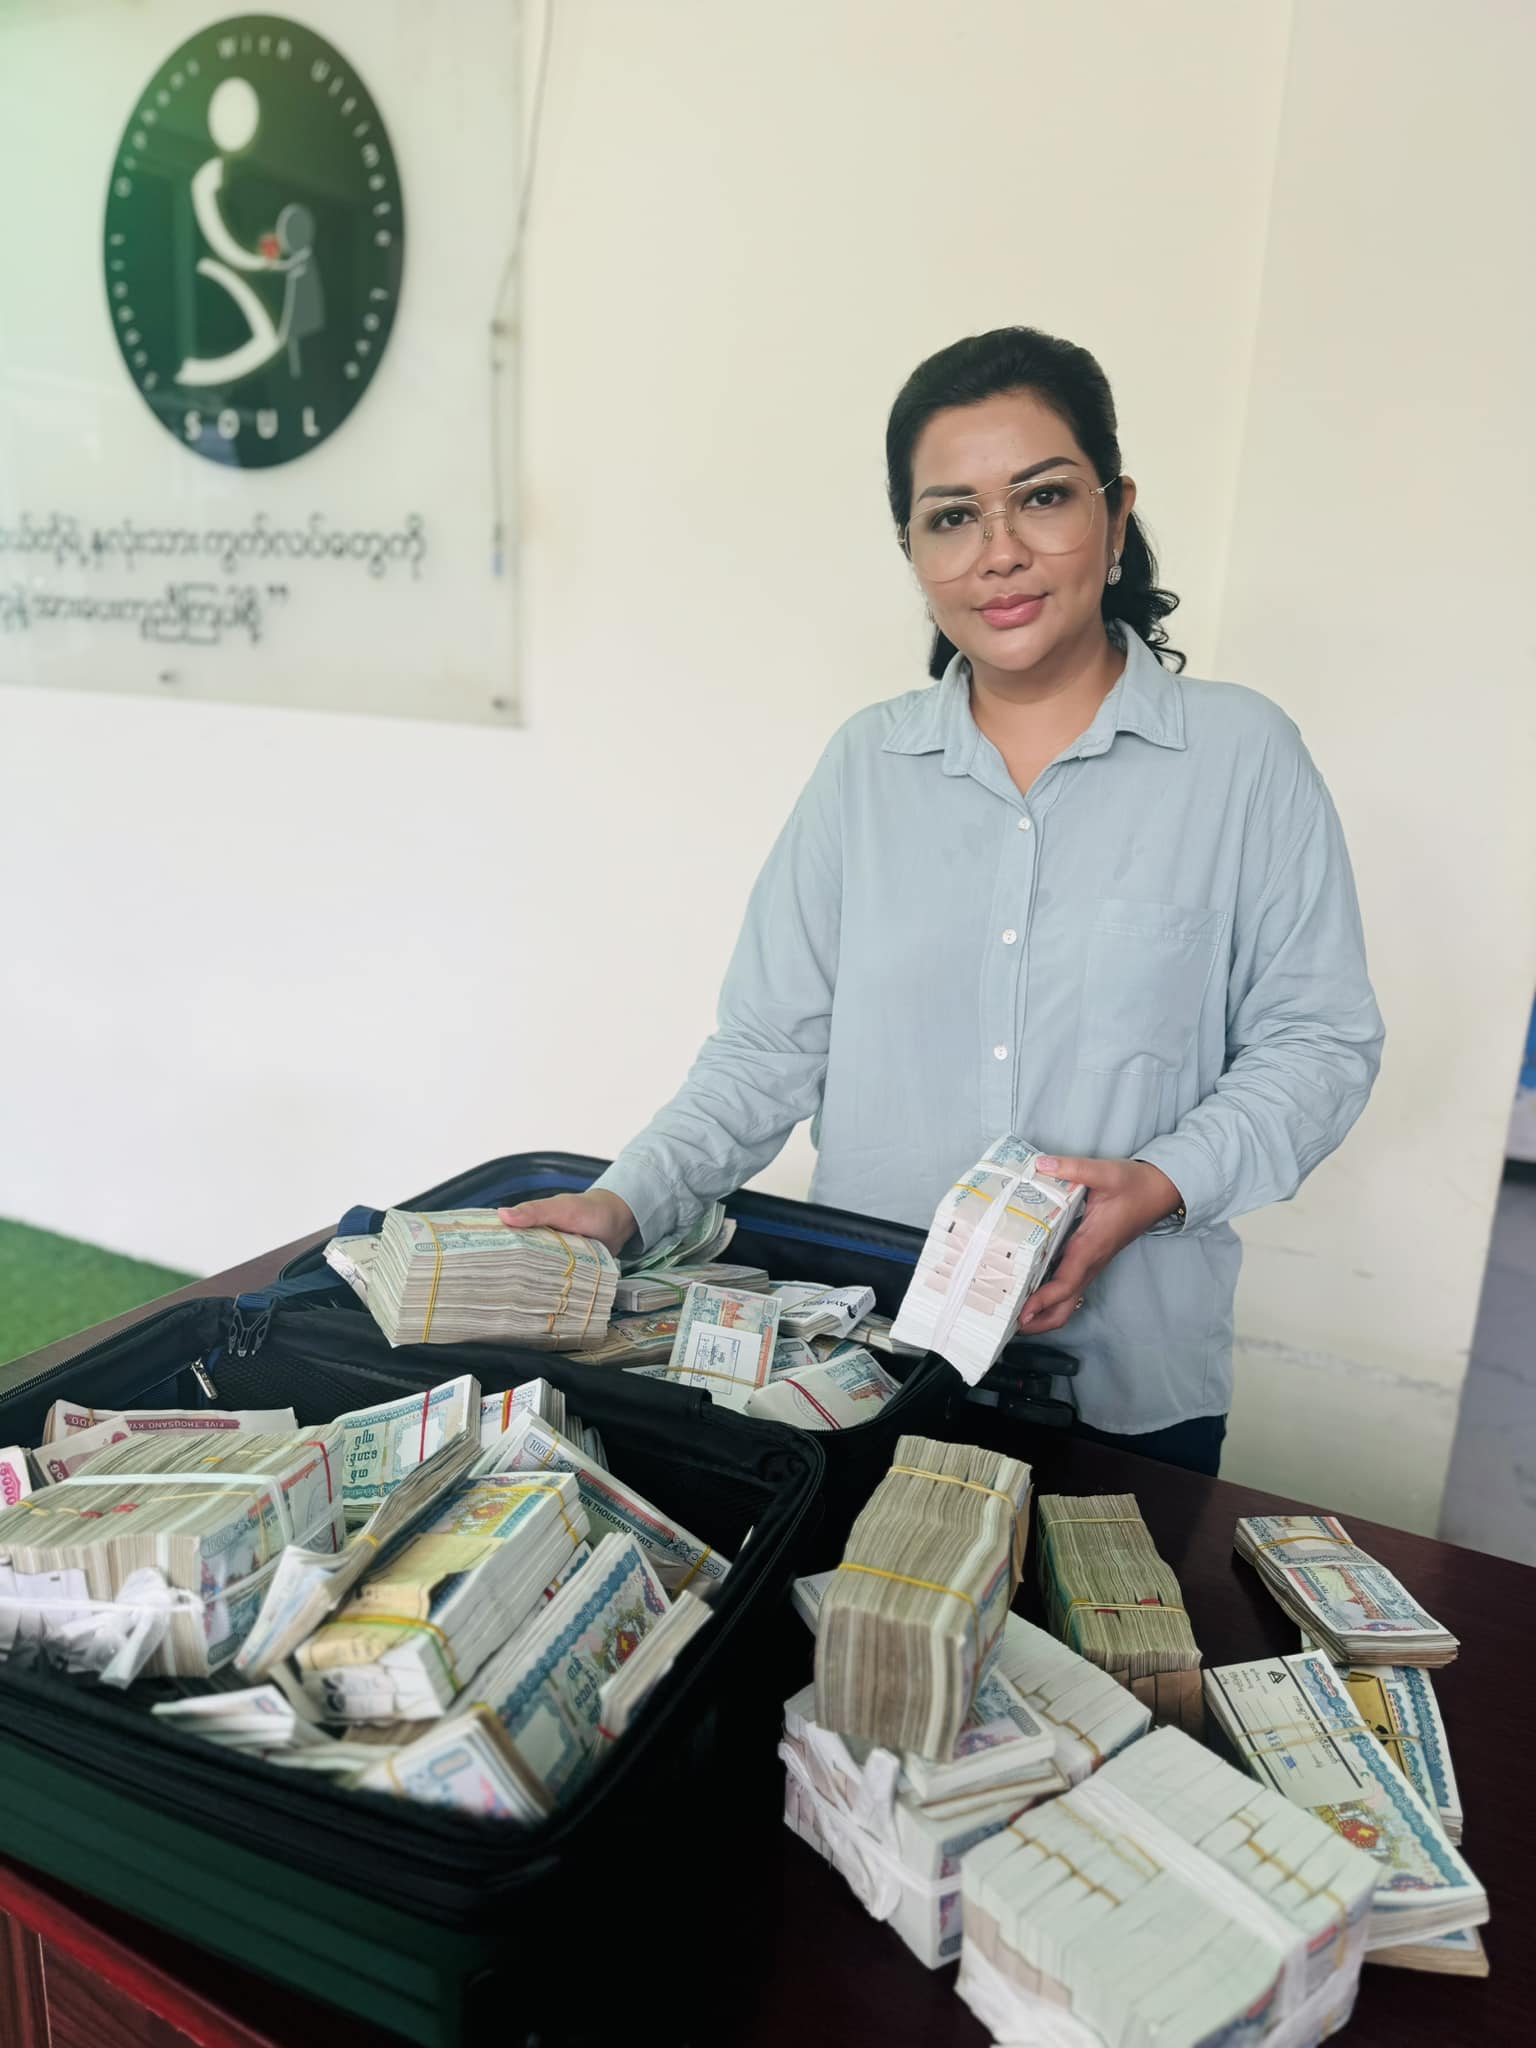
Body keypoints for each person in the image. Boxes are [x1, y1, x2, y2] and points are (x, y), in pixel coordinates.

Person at [503, 326, 1384, 1476]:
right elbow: (767, 1048)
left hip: (1129, 1383)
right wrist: (624, 1201)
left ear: (1116, 514)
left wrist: (1161, 1185)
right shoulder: (864, 769)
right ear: (913, 550)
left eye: (1043, 497)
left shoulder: (1242, 757)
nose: (1000, 552)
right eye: (953, 515)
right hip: (873, 1363)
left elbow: (1319, 1042)